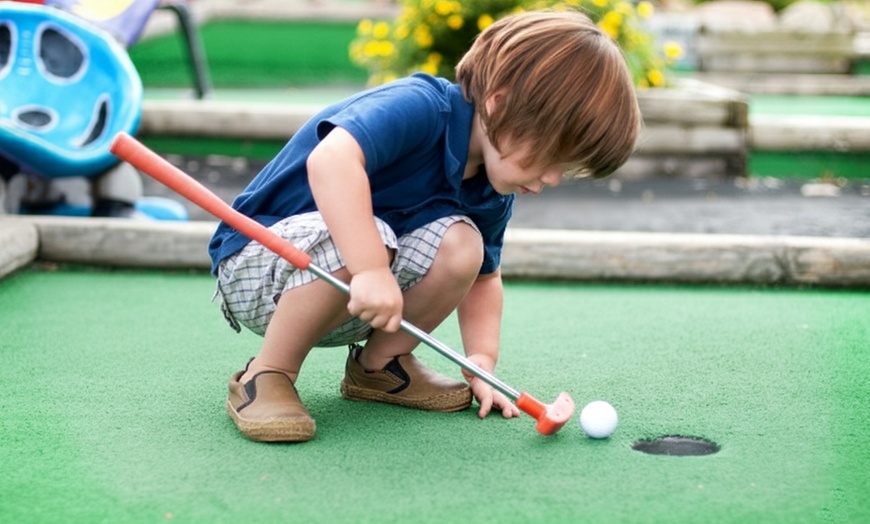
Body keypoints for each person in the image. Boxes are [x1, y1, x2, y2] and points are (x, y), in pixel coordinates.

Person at [209, 10, 641, 442]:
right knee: (370, 237)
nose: (550, 179)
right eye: (552, 158)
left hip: (354, 295)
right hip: (258, 266)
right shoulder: (419, 106)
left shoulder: (491, 191)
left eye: (564, 170)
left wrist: (481, 363)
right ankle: (267, 373)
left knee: (463, 245)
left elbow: (484, 280)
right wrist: (371, 270)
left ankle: (378, 368)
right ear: (500, 104)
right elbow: (331, 161)